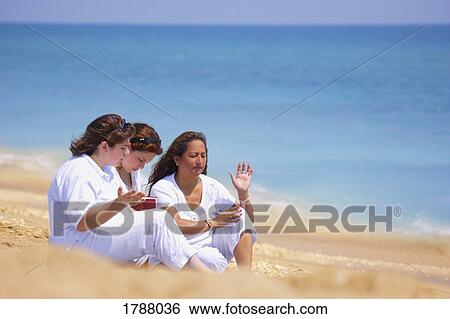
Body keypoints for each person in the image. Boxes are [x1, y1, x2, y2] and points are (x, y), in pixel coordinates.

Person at [47, 114, 211, 271]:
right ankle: (205, 278)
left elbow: (112, 212)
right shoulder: (79, 171)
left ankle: (191, 273)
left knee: (159, 247)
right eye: (124, 148)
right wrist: (119, 204)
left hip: (97, 238)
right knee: (158, 221)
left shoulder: (106, 171)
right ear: (104, 146)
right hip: (75, 247)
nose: (126, 153)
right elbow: (82, 223)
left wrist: (126, 206)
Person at [148, 131, 256, 272]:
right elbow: (173, 224)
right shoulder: (163, 187)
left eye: (203, 155)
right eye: (193, 156)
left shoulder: (212, 185)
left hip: (209, 247)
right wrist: (213, 222)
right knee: (211, 261)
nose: (200, 161)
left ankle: (245, 278)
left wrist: (243, 193)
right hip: (177, 250)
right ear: (177, 160)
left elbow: (248, 221)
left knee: (239, 215)